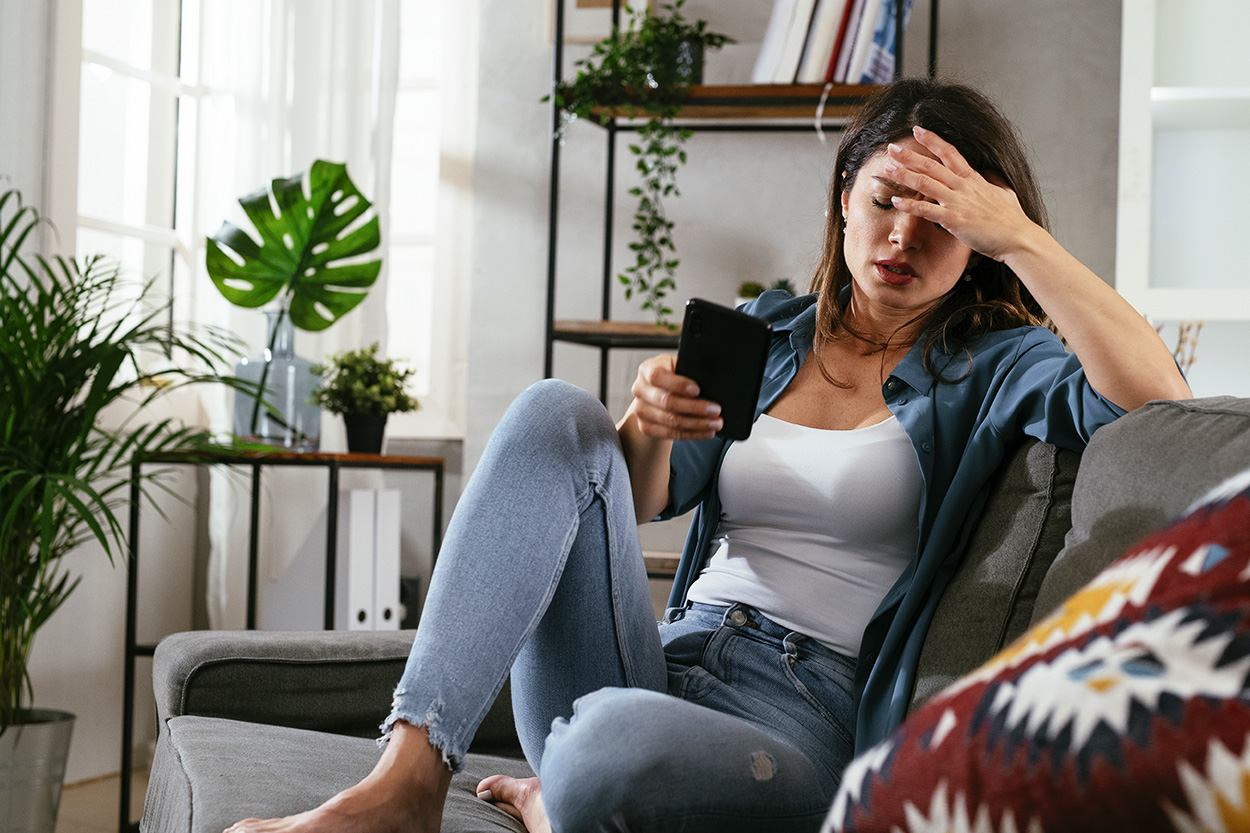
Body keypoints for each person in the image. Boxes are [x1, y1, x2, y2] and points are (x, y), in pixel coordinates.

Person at [226, 78, 1190, 833]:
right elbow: (647, 496)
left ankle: (560, 793)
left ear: (977, 238)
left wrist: (1017, 232)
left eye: (941, 220)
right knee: (559, 410)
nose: (903, 236)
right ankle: (405, 776)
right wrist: (645, 429)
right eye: (887, 199)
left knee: (603, 741)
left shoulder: (993, 364)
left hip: (799, 721)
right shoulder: (769, 335)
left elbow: (1157, 396)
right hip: (658, 656)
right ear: (844, 195)